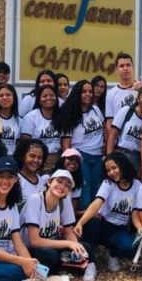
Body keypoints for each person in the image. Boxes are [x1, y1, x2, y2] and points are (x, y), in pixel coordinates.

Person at [22, 170, 98, 281]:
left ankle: (89, 267)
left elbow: (68, 232)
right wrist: (68, 243)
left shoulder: (64, 200)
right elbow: (34, 241)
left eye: (67, 185)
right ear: (49, 182)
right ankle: (43, 275)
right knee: (50, 255)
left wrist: (77, 248)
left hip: (52, 244)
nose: (62, 186)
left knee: (84, 247)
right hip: (31, 249)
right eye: (59, 181)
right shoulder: (36, 200)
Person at [74, 152, 142, 272]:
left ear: (122, 165)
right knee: (90, 223)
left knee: (129, 248)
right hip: (102, 223)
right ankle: (91, 264)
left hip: (119, 228)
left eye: (114, 168)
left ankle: (111, 252)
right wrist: (80, 222)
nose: (111, 172)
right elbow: (97, 202)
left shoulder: (137, 185)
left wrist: (139, 228)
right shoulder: (108, 183)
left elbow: (135, 212)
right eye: (108, 170)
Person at [55, 80, 106, 208]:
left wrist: (106, 143)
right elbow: (65, 143)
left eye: (90, 91)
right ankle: (80, 226)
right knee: (84, 197)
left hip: (98, 158)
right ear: (77, 93)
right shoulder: (70, 113)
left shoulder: (95, 110)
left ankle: (93, 226)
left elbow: (104, 128)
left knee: (97, 195)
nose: (88, 94)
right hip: (81, 158)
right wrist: (68, 164)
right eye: (84, 91)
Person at [107, 85, 142, 175]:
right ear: (138, 98)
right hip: (122, 154)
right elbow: (112, 134)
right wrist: (109, 158)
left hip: (138, 158)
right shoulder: (126, 111)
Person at [19, 85, 62, 172]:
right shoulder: (30, 117)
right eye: (44, 96)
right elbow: (25, 143)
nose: (49, 98)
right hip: (36, 161)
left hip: (57, 161)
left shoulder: (62, 117)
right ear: (39, 99)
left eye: (52, 95)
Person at [104, 52, 142, 133]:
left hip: (140, 137)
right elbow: (109, 122)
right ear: (116, 69)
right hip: (120, 141)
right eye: (122, 66)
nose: (125, 68)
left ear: (133, 67)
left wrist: (141, 90)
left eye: (128, 65)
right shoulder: (111, 94)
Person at [46, 149, 85, 217]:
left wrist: (89, 212)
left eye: (77, 161)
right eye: (71, 158)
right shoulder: (47, 178)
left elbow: (72, 211)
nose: (73, 162)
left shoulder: (77, 185)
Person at [13, 138, 49, 204]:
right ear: (22, 156)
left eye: (39, 157)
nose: (36, 160)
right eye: (32, 156)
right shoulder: (15, 179)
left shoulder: (41, 181)